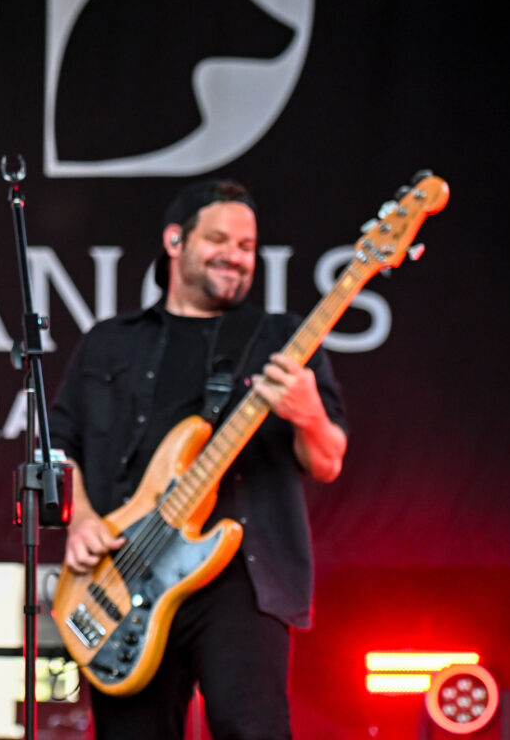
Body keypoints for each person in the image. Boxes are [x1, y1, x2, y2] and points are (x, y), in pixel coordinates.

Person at [48, 180, 349, 740]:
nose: (235, 256)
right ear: (174, 241)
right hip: (124, 573)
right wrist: (82, 518)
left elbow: (328, 461)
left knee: (251, 727)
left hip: (240, 577)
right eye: (219, 239)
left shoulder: (281, 339)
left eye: (246, 246)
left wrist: (308, 411)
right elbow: (59, 445)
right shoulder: (110, 343)